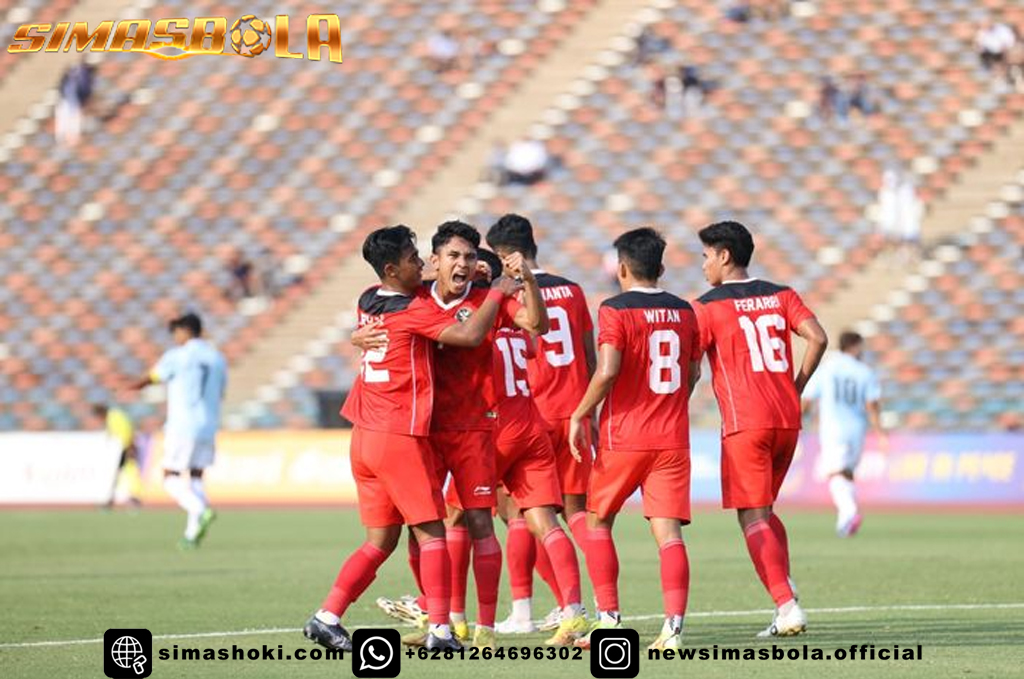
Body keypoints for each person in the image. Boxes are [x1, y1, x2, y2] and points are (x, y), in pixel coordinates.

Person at [306, 225, 521, 653]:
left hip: (364, 433)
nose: (420, 263)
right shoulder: (413, 311)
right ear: (391, 268)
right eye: (411, 258)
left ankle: (326, 617)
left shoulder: (369, 298)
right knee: (433, 532)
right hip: (397, 434)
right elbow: (469, 335)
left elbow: (396, 304)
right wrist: (495, 289)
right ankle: (441, 630)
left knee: (380, 540)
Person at [367, 221, 548, 650]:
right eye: (453, 255)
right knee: (421, 526)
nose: (463, 263)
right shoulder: (415, 296)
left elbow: (536, 324)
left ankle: (483, 627)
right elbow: (373, 302)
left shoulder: (488, 298)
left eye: (469, 256)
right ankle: (440, 619)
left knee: (480, 521)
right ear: (434, 261)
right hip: (424, 429)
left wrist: (528, 281)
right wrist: (358, 335)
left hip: (473, 429)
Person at [442, 248, 587, 646]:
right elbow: (536, 338)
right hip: (530, 424)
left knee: (455, 518)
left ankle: (453, 619)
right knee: (545, 521)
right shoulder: (509, 311)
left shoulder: (473, 312)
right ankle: (574, 612)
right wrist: (528, 282)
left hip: (492, 429)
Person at [691, 221, 828, 638]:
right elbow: (818, 338)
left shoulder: (706, 306)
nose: (703, 265)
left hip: (746, 421)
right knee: (764, 510)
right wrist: (796, 386)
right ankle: (785, 592)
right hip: (787, 419)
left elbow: (691, 367)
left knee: (751, 515)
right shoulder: (782, 294)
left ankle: (786, 605)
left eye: (706, 256)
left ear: (724, 256)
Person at [568, 228, 701, 651]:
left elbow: (606, 370)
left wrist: (581, 411)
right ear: (661, 268)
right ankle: (673, 631)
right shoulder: (685, 311)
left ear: (622, 268)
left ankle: (608, 623)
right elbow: (694, 373)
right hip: (672, 439)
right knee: (670, 536)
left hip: (624, 436)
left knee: (598, 522)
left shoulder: (614, 309)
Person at [486, 214, 597, 634]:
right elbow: (587, 357)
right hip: (573, 412)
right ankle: (596, 607)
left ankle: (522, 611)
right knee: (577, 513)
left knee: (517, 512)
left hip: (529, 414)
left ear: (503, 255)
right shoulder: (573, 289)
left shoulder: (510, 293)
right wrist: (591, 414)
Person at [126, 313, 226, 549]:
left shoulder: (178, 356)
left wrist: (131, 386)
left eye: (177, 333)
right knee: (195, 476)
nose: (175, 338)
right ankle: (192, 535)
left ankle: (199, 509)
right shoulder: (217, 358)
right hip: (209, 425)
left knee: (170, 476)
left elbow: (153, 377)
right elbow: (221, 392)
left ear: (186, 331)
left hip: (182, 425)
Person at [802, 331, 886, 537]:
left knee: (834, 472)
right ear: (855, 346)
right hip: (857, 429)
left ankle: (849, 511)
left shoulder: (827, 368)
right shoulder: (865, 372)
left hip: (833, 428)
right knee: (846, 472)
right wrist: (879, 431)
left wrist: (798, 419)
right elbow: (872, 404)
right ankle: (844, 523)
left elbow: (808, 398)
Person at [91, 403, 142, 508]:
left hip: (124, 448)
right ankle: (113, 498)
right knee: (124, 472)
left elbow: (126, 431)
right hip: (123, 448)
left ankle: (126, 498)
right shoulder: (114, 416)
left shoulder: (114, 418)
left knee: (124, 472)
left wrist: (129, 447)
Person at [56, 60, 96, 147]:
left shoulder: (62, 130)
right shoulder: (75, 130)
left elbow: (64, 114)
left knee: (71, 92)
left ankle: (73, 73)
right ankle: (81, 71)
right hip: (75, 106)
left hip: (70, 106)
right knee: (83, 91)